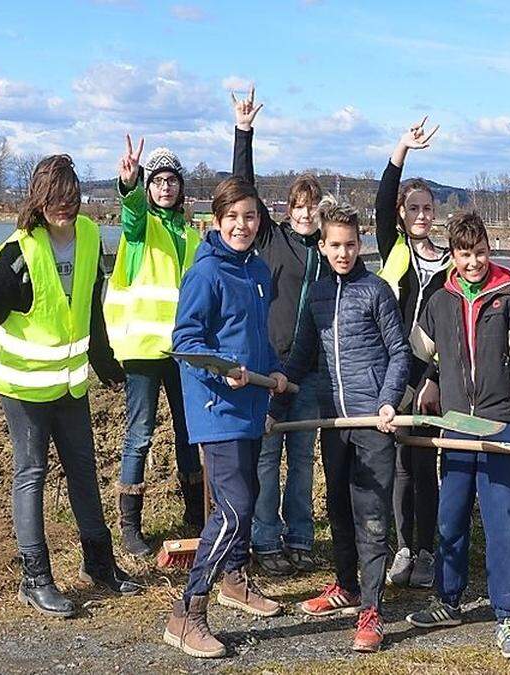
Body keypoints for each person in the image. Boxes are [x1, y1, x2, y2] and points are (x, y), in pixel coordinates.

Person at [0, 155, 138, 619]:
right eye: (55, 201)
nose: (65, 209)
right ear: (39, 200)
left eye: (71, 201)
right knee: (31, 474)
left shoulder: (91, 237)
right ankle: (35, 580)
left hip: (69, 386)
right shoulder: (22, 252)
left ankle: (100, 564)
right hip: (21, 386)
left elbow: (89, 312)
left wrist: (108, 368)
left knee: (83, 472)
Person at [404, 212, 510, 661]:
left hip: (501, 421)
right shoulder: (440, 300)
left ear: (490, 248)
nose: (473, 262)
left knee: (502, 522)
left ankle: (507, 613)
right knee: (451, 516)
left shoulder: (508, 296)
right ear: (453, 254)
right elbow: (419, 351)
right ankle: (448, 599)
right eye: (465, 254)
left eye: (480, 252)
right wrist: (414, 390)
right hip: (456, 424)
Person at [272, 197, 410, 653]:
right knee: (337, 506)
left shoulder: (376, 291)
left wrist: (388, 401)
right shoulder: (318, 294)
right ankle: (346, 586)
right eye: (335, 245)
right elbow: (301, 352)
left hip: (373, 419)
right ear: (325, 245)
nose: (343, 253)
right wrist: (282, 385)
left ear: (361, 243)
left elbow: (399, 353)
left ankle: (372, 609)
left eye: (350, 245)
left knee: (371, 514)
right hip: (333, 419)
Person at [163, 177, 290, 659]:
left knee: (245, 502)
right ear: (216, 221)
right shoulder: (206, 273)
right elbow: (187, 342)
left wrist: (273, 372)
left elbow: (257, 338)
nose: (242, 225)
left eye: (251, 216)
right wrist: (224, 374)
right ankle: (187, 611)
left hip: (252, 406)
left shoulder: (257, 269)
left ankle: (233, 581)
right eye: (233, 217)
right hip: (217, 408)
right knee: (234, 508)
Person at [231, 86, 327, 576]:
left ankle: (301, 536)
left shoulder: (328, 255)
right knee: (267, 461)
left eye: (313, 207)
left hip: (307, 375)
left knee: (304, 463)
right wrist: (244, 131)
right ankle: (265, 540)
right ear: (287, 209)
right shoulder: (270, 238)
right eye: (298, 205)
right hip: (269, 372)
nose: (305, 213)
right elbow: (241, 187)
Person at [104, 135, 204, 558]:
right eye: (157, 180)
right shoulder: (142, 228)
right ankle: (130, 527)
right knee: (140, 435)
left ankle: (196, 516)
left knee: (188, 433)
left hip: (183, 352)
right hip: (144, 349)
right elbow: (130, 213)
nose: (165, 187)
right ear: (149, 188)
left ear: (181, 188)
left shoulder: (193, 236)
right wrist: (128, 185)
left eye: (172, 181)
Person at [375, 116, 447, 588]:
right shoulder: (393, 249)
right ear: (403, 214)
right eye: (413, 208)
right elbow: (383, 199)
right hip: (390, 369)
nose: (421, 215)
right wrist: (401, 149)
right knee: (397, 464)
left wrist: (433, 378)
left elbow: (448, 327)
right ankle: (401, 546)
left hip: (428, 374)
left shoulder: (447, 261)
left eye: (427, 208)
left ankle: (426, 550)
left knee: (424, 464)